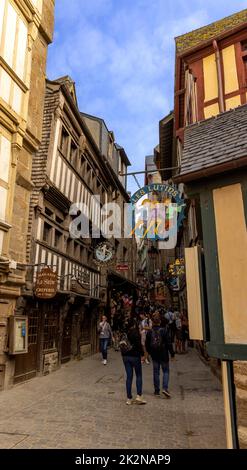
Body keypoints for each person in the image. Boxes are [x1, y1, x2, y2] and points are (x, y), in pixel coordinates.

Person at [146, 312, 175, 398]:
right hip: (163, 354)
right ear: (159, 321)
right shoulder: (164, 330)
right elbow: (169, 343)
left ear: (153, 322)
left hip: (154, 354)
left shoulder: (150, 332)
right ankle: (165, 388)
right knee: (166, 371)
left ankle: (156, 391)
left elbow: (147, 344)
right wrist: (172, 353)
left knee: (156, 372)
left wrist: (150, 352)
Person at [121, 318, 147, 405]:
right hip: (135, 356)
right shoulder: (136, 333)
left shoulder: (125, 332)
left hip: (125, 356)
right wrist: (143, 354)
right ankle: (139, 396)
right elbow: (139, 345)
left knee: (129, 377)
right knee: (138, 375)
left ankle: (129, 398)